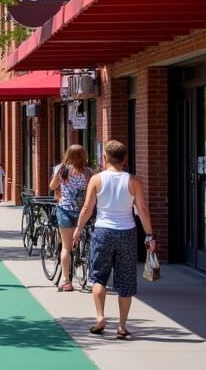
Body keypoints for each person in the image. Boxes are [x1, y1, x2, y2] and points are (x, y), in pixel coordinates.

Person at [73, 139, 156, 338]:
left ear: (105, 157)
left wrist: (78, 229)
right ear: (125, 159)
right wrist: (150, 235)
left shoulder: (96, 179)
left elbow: (87, 208)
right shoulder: (134, 181)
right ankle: (121, 326)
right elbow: (143, 210)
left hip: (102, 231)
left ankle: (100, 316)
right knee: (125, 280)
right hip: (127, 232)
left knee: (99, 276)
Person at [49, 143, 91, 292]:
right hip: (83, 212)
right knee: (82, 241)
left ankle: (67, 281)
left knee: (66, 247)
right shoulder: (88, 172)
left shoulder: (62, 170)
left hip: (65, 209)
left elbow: (52, 186)